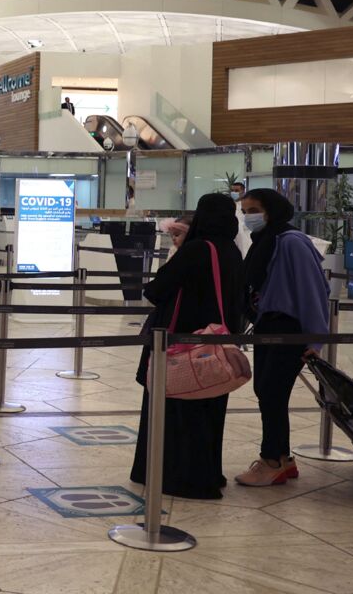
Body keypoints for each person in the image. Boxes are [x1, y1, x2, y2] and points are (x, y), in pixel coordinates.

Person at [130, 193, 245, 500]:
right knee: (209, 407)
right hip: (217, 345)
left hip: (182, 347)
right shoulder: (231, 251)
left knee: (178, 408)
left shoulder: (197, 249)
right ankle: (207, 472)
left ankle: (180, 478)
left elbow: (156, 290)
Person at [236, 189, 329, 486]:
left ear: (271, 211)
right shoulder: (265, 241)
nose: (249, 217)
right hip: (269, 326)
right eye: (245, 211)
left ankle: (271, 460)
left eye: (254, 210)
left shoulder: (291, 242)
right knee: (268, 392)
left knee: (272, 392)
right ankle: (283, 459)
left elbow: (312, 292)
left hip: (289, 330)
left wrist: (314, 341)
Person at [230, 182, 252, 257]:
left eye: (236, 191)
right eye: (232, 190)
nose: (234, 193)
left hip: (246, 236)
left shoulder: (248, 205)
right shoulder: (229, 205)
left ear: (243, 191)